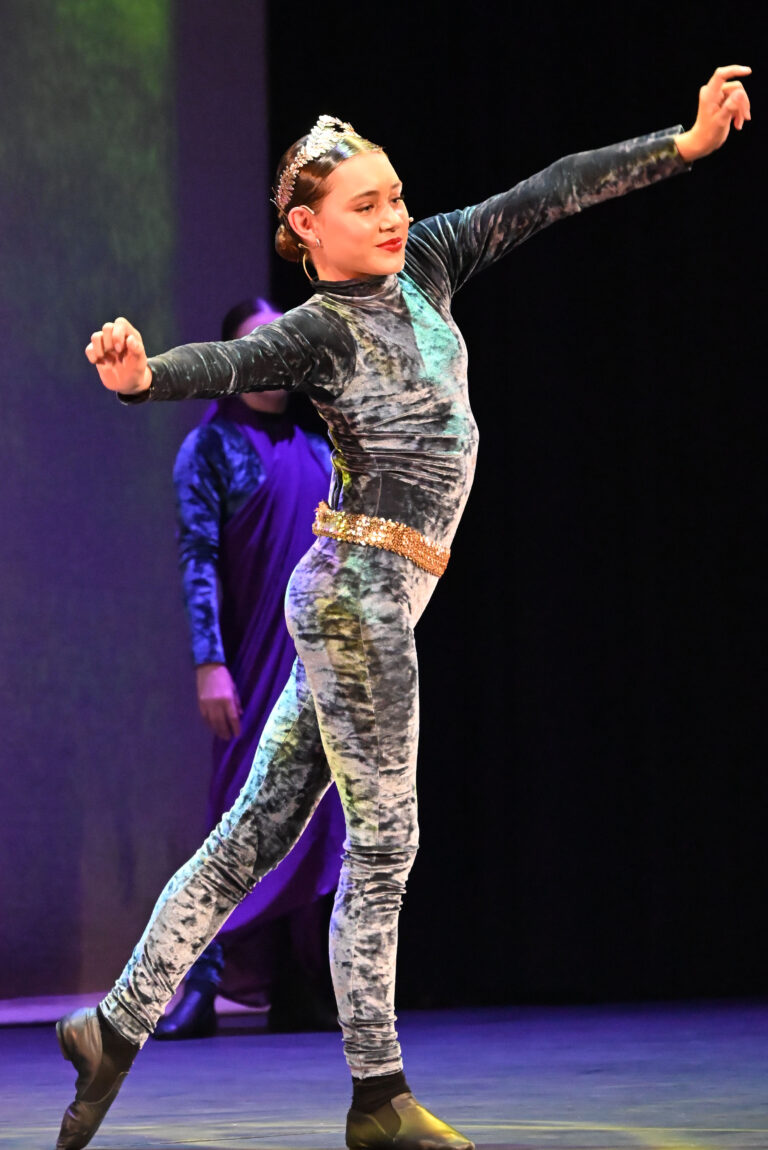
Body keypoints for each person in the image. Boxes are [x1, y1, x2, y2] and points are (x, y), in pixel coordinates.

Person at [55, 66, 751, 1150]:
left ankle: (113, 1024)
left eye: (396, 197)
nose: (392, 217)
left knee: (254, 833)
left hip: (360, 596)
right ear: (305, 227)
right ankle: (378, 1097)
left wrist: (684, 145)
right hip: (359, 600)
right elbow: (229, 361)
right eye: (365, 205)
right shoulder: (320, 328)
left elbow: (545, 191)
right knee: (385, 842)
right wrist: (144, 376)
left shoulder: (424, 264)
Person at [154, 297, 344, 1040]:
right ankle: (199, 984)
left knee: (314, 819)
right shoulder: (210, 450)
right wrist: (210, 664)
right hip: (250, 660)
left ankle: (298, 984)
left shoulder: (320, 451)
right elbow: (198, 559)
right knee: (239, 817)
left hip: (314, 663)